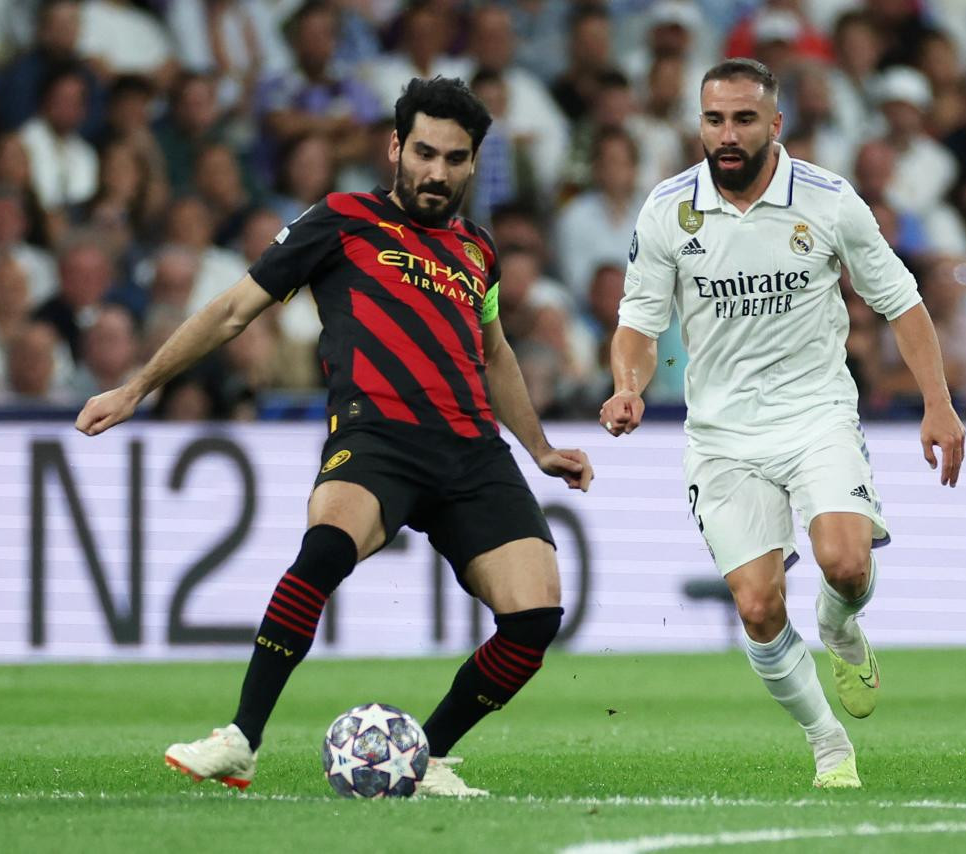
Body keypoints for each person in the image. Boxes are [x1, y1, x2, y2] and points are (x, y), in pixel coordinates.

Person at [75, 76, 593, 797]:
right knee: (324, 548)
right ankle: (241, 740)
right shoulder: (341, 220)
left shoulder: (478, 251)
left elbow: (496, 352)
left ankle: (426, 755)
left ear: (473, 164)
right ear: (395, 148)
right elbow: (231, 311)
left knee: (534, 619)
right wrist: (137, 386)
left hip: (471, 449)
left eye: (453, 158)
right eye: (423, 153)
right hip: (377, 435)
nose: (436, 172)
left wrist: (538, 450)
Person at [600, 59, 965, 789]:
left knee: (845, 563)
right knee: (760, 606)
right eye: (713, 119)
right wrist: (627, 387)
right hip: (722, 435)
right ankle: (827, 742)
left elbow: (901, 300)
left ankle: (837, 625)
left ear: (775, 123)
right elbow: (638, 322)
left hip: (816, 413)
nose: (726, 134)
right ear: (698, 123)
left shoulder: (829, 202)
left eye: (742, 119)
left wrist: (938, 402)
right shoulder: (669, 210)